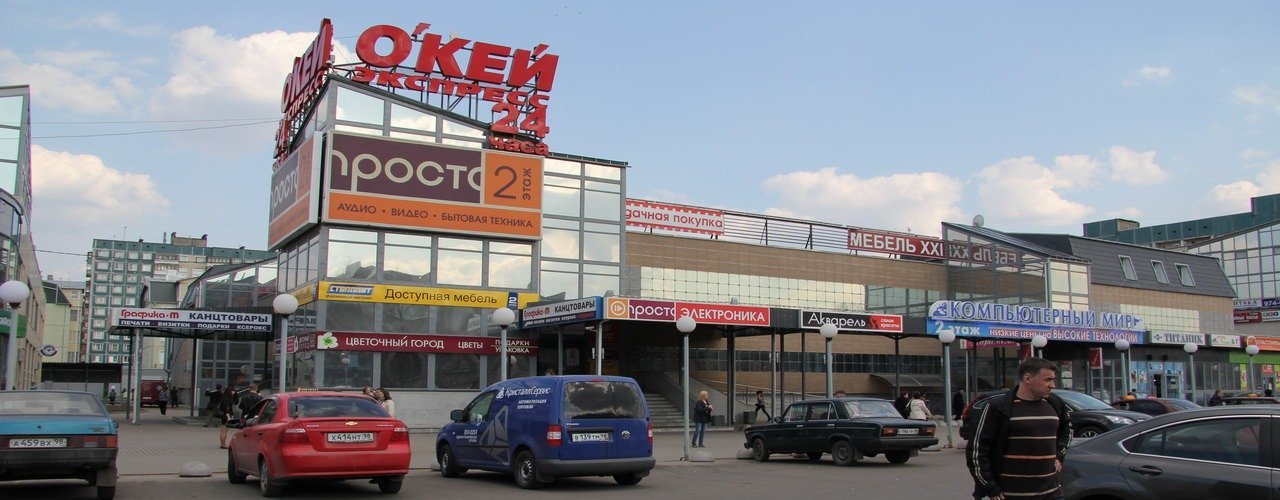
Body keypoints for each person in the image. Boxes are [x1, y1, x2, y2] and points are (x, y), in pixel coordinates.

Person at [966, 357, 1071, 500]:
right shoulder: (998, 407)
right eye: (1048, 379)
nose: (1052, 385)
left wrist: (1059, 455)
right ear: (1028, 378)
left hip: (1052, 492)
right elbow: (977, 451)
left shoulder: (1055, 403)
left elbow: (1067, 430)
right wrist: (990, 487)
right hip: (1011, 494)